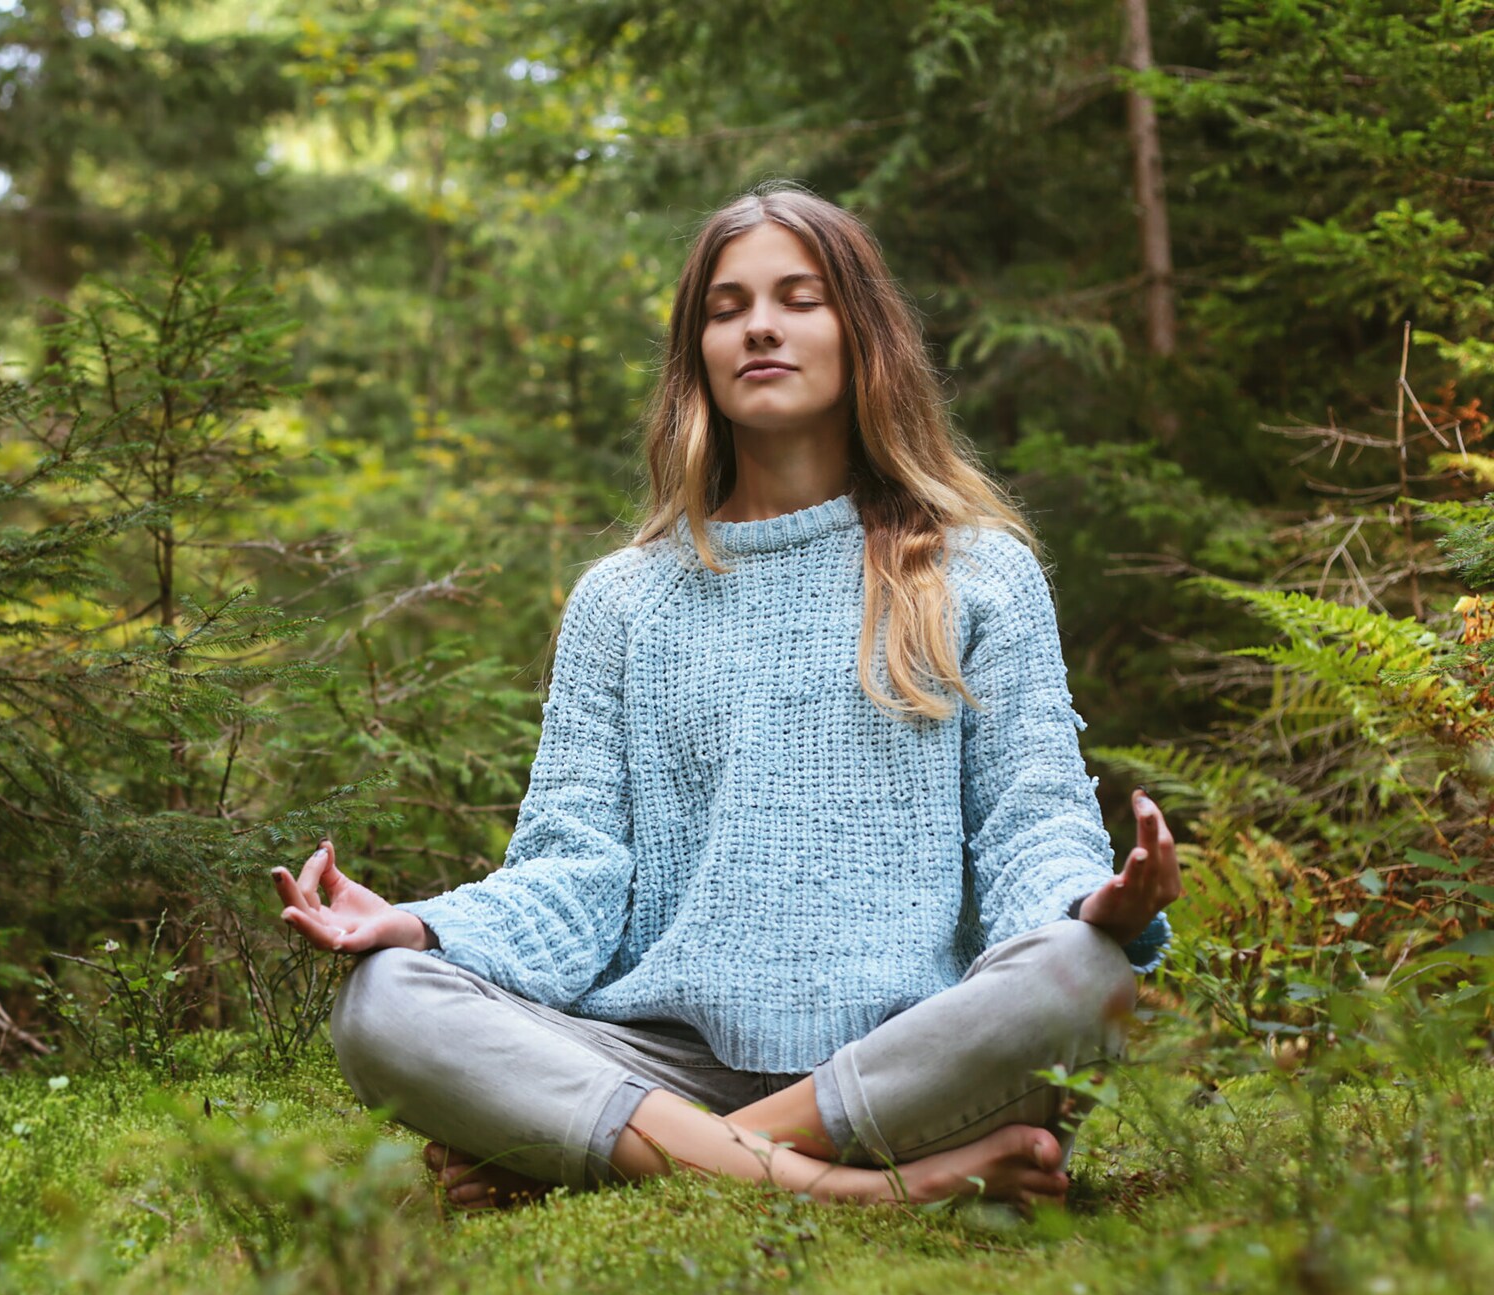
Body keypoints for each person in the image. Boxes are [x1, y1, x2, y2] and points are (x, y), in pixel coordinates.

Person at [272, 181, 1179, 1213]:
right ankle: (874, 1193)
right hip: (661, 1059)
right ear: (695, 352)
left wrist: (1088, 902)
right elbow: (571, 874)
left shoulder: (976, 574)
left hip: (898, 1054)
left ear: (859, 333)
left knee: (1080, 972)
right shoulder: (622, 600)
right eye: (725, 306)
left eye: (797, 298)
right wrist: (422, 930)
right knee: (383, 1004)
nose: (757, 325)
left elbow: (1031, 822)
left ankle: (623, 1168)